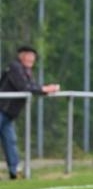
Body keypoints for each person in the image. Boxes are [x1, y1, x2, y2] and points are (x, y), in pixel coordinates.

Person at [0, 46, 60, 180]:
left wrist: (45, 89)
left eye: (33, 57)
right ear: (22, 56)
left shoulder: (26, 71)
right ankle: (15, 170)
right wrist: (45, 89)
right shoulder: (15, 67)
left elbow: (32, 87)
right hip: (1, 110)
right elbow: (24, 86)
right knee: (11, 141)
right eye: (29, 56)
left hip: (7, 114)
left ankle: (15, 172)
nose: (32, 59)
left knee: (10, 141)